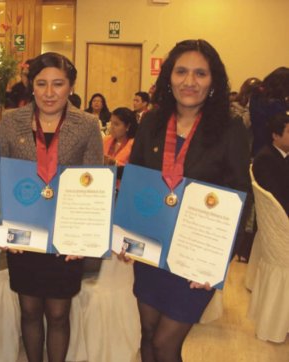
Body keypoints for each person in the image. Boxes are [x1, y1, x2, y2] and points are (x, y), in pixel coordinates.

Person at [126, 39, 250, 362]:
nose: (189, 81)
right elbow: (135, 180)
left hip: (196, 254)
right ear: (169, 76)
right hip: (151, 247)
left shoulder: (230, 128)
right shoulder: (151, 123)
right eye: (181, 71)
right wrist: (125, 235)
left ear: (213, 82)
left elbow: (240, 199)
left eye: (200, 73)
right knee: (148, 335)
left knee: (167, 344)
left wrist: (217, 262)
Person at [0, 52, 103, 362]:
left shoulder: (87, 124)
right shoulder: (11, 121)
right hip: (24, 235)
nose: (49, 92)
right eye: (41, 83)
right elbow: (0, 175)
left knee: (58, 312)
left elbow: (94, 182)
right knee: (29, 309)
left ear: (70, 86)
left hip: (65, 237)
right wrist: (6, 230)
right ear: (31, 86)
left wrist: (82, 237)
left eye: (58, 84)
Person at [252, 112, 289, 216]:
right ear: (276, 136)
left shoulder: (284, 154)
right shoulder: (266, 159)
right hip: (276, 218)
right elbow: (275, 198)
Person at [250, 67, 289, 157]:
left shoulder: (257, 95)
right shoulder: (271, 102)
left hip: (260, 145)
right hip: (270, 147)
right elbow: (280, 121)